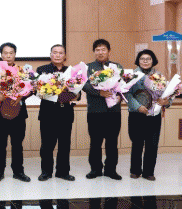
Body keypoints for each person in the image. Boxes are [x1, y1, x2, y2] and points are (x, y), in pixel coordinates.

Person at [0, 42, 31, 183]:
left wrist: (21, 97)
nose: (8, 55)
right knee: (0, 144)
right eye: (5, 53)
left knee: (17, 144)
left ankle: (18, 171)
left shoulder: (22, 72)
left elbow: (30, 89)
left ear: (15, 55)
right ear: (1, 55)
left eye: (11, 53)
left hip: (18, 113)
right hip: (0, 114)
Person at [124, 50, 171, 181]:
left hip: (154, 114)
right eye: (142, 58)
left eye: (148, 59)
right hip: (136, 113)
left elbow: (168, 93)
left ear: (153, 60)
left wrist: (166, 102)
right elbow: (127, 94)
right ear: (138, 61)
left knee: (152, 143)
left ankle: (149, 172)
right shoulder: (131, 75)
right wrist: (138, 107)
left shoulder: (159, 75)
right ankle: (135, 171)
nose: (145, 61)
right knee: (137, 142)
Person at [82, 39, 123, 180]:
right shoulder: (88, 68)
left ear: (109, 51)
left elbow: (124, 84)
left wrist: (120, 96)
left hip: (114, 111)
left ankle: (111, 170)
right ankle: (95, 169)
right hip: (95, 111)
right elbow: (84, 85)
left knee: (112, 142)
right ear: (94, 52)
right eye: (97, 50)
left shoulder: (117, 67)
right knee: (95, 142)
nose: (100, 52)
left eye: (103, 49)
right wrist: (99, 92)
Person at [36, 44, 78, 182]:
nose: (58, 55)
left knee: (64, 144)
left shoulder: (71, 72)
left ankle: (63, 172)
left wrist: (73, 95)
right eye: (55, 52)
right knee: (47, 145)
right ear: (50, 55)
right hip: (48, 112)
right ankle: (46, 172)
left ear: (65, 56)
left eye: (61, 53)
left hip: (65, 112)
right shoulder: (42, 70)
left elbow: (77, 92)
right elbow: (37, 90)